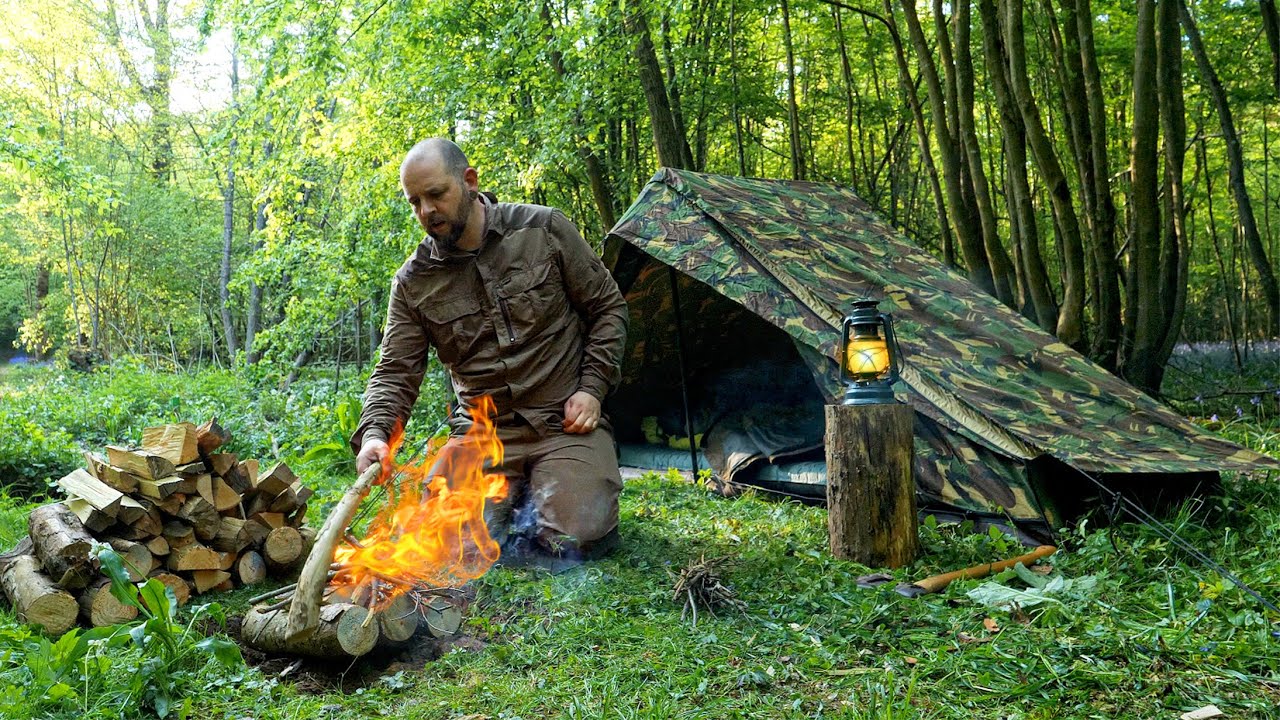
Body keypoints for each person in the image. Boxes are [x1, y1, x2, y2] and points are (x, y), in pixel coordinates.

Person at [350, 138, 629, 563]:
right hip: (482, 434)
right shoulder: (413, 282)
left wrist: (592, 388)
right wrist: (375, 435)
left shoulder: (544, 231)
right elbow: (394, 371)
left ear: (469, 181)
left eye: (436, 195)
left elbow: (608, 308)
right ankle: (511, 500)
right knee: (445, 538)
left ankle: (561, 487)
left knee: (577, 534)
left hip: (563, 424)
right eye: (415, 202)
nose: (426, 211)